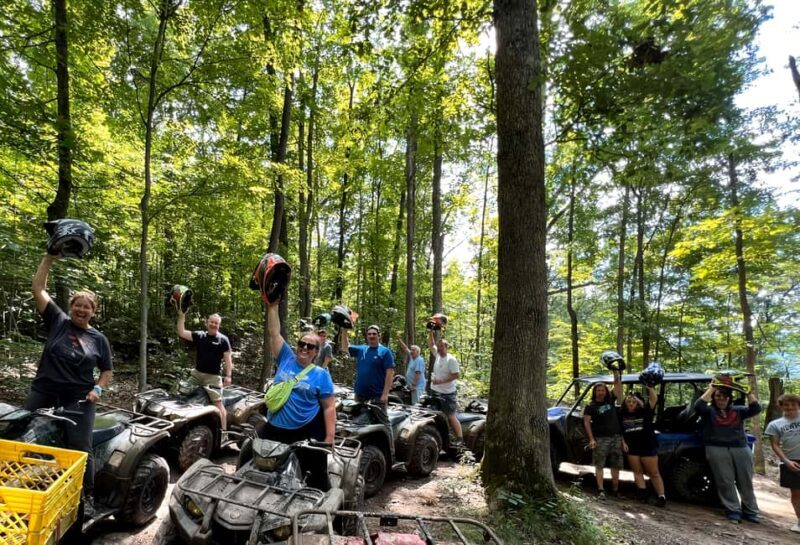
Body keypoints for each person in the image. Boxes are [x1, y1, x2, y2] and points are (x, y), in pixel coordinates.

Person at [27, 254, 113, 518]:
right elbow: (38, 289)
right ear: (71, 306)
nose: (82, 310)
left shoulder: (98, 339)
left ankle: (86, 496)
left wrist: (97, 389)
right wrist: (49, 258)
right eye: (78, 305)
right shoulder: (57, 321)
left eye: (87, 307)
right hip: (43, 392)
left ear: (93, 311)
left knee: (80, 447)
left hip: (78, 399)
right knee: (18, 433)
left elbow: (107, 371)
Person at [263, 299, 335, 490]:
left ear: (316, 352)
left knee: (316, 475)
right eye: (301, 344)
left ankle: (332, 515)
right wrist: (273, 306)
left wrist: (329, 437)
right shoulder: (286, 358)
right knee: (254, 457)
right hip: (274, 427)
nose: (304, 348)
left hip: (305, 430)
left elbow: (328, 407)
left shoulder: (321, 375)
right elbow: (274, 332)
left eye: (310, 346)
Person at [694, 384, 761, 523]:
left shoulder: (739, 410)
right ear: (714, 397)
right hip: (716, 448)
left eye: (725, 396)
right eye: (718, 395)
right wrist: (713, 387)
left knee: (745, 480)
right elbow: (698, 406)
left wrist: (747, 391)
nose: (721, 398)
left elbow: (756, 408)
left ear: (729, 397)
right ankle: (733, 510)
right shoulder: (709, 411)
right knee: (725, 480)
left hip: (740, 447)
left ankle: (751, 511)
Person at [177, 309, 233, 434]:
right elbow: (181, 332)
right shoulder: (200, 335)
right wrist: (182, 316)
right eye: (211, 322)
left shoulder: (223, 340)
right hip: (197, 375)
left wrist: (228, 376)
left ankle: (223, 434)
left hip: (213, 378)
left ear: (219, 325)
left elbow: (228, 360)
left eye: (216, 323)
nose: (213, 324)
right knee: (181, 394)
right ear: (207, 322)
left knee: (218, 405)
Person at [341, 323, 395, 451]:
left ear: (379, 336)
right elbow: (345, 348)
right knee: (358, 421)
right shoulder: (362, 349)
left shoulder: (385, 352)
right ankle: (360, 448)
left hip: (377, 395)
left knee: (384, 422)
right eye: (369, 334)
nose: (371, 336)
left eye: (374, 334)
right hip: (360, 394)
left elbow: (390, 373)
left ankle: (391, 452)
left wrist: (385, 394)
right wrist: (344, 330)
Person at [620, 387, 666, 506]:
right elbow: (620, 430)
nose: (631, 404)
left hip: (647, 446)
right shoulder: (622, 413)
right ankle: (642, 493)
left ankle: (661, 496)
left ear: (638, 403)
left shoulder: (645, 412)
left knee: (654, 473)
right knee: (637, 471)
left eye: (634, 402)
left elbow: (653, 399)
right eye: (629, 402)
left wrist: (649, 387)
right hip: (632, 447)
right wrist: (623, 442)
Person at [583, 370, 623, 498]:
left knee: (615, 465)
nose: (601, 392)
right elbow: (587, 423)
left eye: (603, 390)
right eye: (598, 390)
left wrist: (615, 373)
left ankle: (615, 490)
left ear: (606, 391)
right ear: (594, 392)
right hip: (600, 439)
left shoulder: (610, 400)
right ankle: (601, 490)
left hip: (616, 437)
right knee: (599, 464)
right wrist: (591, 439)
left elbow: (617, 386)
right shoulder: (590, 406)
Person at [765, 393, 800, 532]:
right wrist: (786, 461)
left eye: (793, 404)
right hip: (791, 461)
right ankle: (799, 521)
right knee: (796, 493)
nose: (790, 407)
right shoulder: (775, 424)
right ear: (781, 406)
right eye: (786, 404)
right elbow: (775, 444)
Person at [428, 330, 463, 444]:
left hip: (447, 393)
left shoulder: (451, 359)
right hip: (435, 391)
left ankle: (459, 439)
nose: (439, 348)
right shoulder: (437, 355)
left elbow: (456, 375)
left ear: (446, 347)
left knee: (451, 416)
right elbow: (431, 345)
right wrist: (430, 332)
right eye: (439, 346)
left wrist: (441, 381)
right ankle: (440, 438)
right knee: (435, 415)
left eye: (442, 346)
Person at [397, 335, 426, 404]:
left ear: (418, 352)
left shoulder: (419, 360)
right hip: (412, 386)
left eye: (413, 350)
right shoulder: (412, 357)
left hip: (417, 387)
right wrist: (399, 340)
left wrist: (413, 385)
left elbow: (418, 373)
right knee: (412, 403)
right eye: (411, 350)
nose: (411, 351)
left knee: (417, 405)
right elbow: (405, 348)